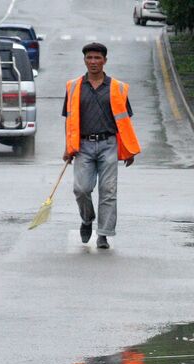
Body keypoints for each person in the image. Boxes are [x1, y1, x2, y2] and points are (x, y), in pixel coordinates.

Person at [62, 42, 139, 250]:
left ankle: (103, 234)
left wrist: (128, 150)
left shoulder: (117, 88)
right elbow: (69, 120)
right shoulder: (74, 86)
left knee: (108, 191)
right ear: (84, 60)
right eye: (89, 58)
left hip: (108, 145)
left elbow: (124, 122)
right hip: (84, 146)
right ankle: (87, 219)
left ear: (105, 61)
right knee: (81, 189)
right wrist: (68, 148)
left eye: (97, 58)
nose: (93, 62)